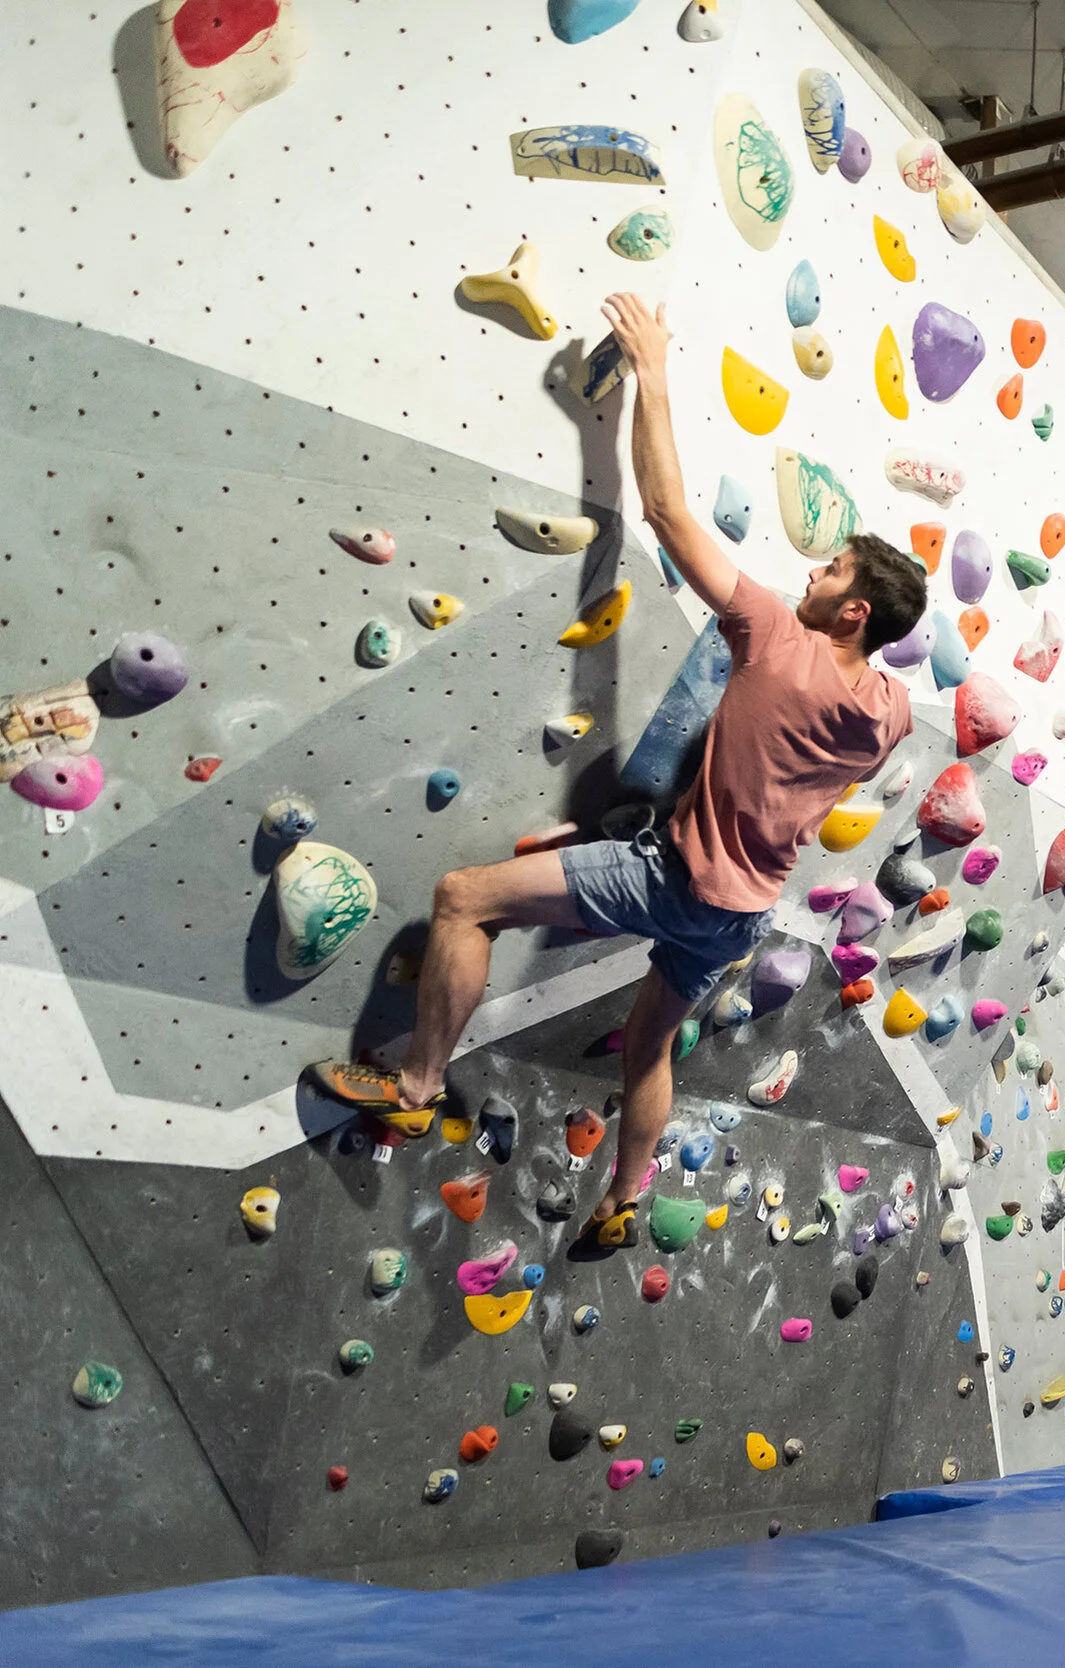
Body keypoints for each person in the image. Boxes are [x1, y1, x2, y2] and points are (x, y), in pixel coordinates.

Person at [304, 293, 925, 1246]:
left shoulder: (771, 634)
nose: (812, 574)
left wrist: (655, 369)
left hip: (674, 880)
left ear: (854, 614)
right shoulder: (887, 713)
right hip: (743, 909)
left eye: (832, 570)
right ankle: (626, 1199)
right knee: (646, 1047)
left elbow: (669, 511)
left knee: (464, 898)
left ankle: (417, 1089)